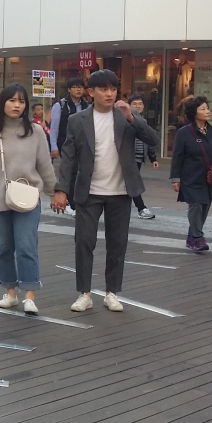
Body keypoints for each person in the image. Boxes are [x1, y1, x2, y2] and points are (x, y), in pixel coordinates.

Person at [52, 69, 159, 313]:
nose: (109, 93)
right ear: (91, 92)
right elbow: (68, 157)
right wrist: (61, 190)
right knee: (84, 242)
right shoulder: (78, 120)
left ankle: (112, 293)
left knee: (117, 244)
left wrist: (131, 118)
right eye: (103, 89)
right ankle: (85, 293)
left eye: (113, 89)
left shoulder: (126, 115)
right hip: (89, 191)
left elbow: (153, 139)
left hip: (121, 191)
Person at [0, 85, 56, 315]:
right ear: (2, 103)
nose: (17, 105)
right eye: (12, 100)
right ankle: (10, 292)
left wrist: (54, 192)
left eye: (22, 101)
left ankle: (29, 295)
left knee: (27, 246)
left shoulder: (35, 132)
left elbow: (45, 165)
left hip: (28, 198)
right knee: (3, 248)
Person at [170, 96, 212, 252]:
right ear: (194, 113)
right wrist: (175, 178)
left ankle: (192, 237)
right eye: (203, 109)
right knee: (195, 205)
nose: (207, 111)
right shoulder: (184, 133)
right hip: (190, 177)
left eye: (207, 108)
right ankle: (198, 238)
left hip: (210, 178)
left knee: (205, 206)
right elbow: (177, 156)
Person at [49, 77, 89, 217]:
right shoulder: (60, 105)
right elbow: (54, 128)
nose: (78, 90)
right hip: (65, 144)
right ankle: (68, 203)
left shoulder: (87, 105)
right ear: (69, 89)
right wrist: (53, 146)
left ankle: (76, 202)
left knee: (79, 174)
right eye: (75, 87)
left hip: (82, 145)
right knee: (68, 173)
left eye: (81, 87)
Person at [128, 95, 159, 220]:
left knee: (130, 183)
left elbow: (149, 140)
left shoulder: (143, 121)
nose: (137, 106)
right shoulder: (126, 120)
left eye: (140, 104)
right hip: (129, 156)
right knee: (133, 182)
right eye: (134, 104)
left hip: (140, 156)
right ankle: (141, 208)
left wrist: (153, 158)